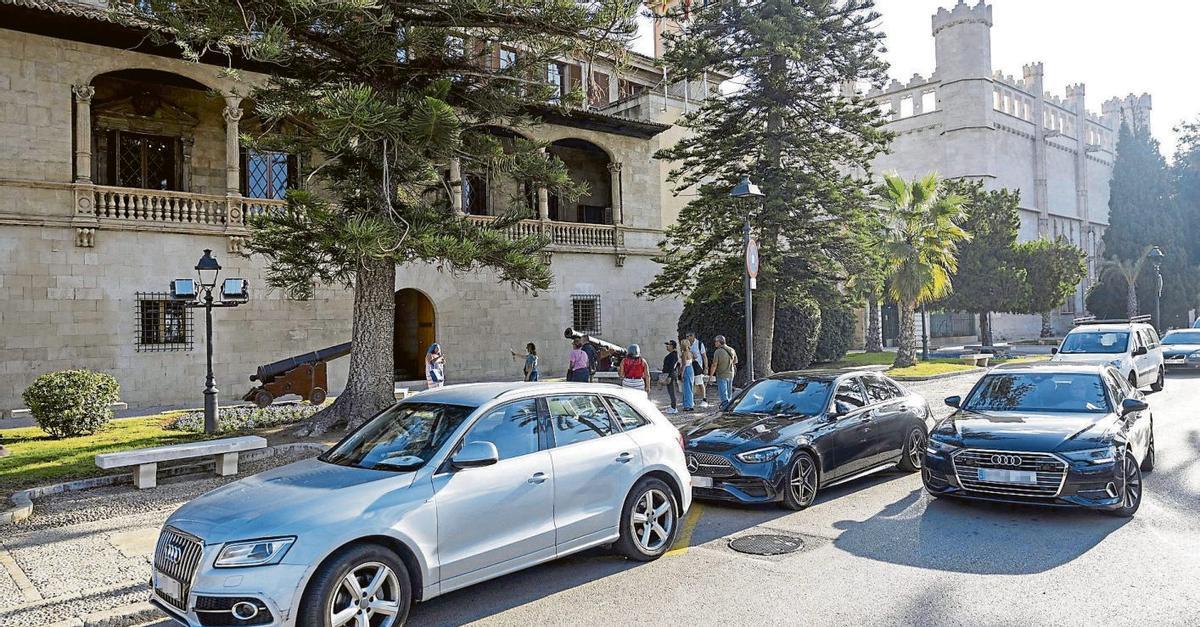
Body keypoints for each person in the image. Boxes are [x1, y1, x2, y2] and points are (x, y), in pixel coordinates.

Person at [709, 335, 738, 405]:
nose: (715, 343)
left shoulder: (718, 352)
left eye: (716, 341)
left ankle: (725, 407)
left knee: (723, 393)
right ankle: (729, 406)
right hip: (731, 373)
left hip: (722, 374)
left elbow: (714, 365)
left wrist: (710, 376)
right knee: (729, 392)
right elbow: (735, 362)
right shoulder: (731, 350)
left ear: (720, 342)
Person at [686, 332, 709, 408]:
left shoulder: (699, 344)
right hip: (690, 365)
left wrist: (706, 368)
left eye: (690, 336)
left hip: (697, 366)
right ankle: (691, 400)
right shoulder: (686, 344)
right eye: (687, 336)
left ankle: (704, 399)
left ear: (693, 336)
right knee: (691, 383)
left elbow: (704, 356)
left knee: (699, 382)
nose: (688, 337)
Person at [661, 340, 681, 414]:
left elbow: (672, 367)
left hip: (670, 375)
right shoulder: (673, 354)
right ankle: (673, 406)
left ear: (672, 346)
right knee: (670, 391)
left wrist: (669, 376)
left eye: (668, 345)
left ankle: (674, 407)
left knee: (671, 391)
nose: (667, 346)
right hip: (670, 374)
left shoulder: (673, 355)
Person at [679, 338, 696, 412]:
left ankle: (687, 405)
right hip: (691, 368)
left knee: (686, 388)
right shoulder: (690, 352)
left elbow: (684, 364)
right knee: (690, 387)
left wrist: (681, 374)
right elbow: (695, 358)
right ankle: (690, 403)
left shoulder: (684, 353)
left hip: (686, 370)